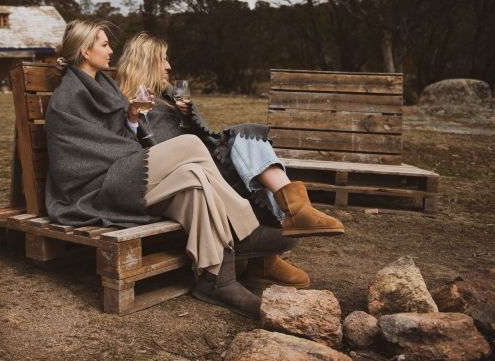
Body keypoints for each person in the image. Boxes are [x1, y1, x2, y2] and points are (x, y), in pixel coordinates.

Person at [44, 20, 295, 319]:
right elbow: (79, 155)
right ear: (85, 51)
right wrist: (134, 143)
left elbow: (119, 135)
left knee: (195, 180)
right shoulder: (68, 96)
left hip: (124, 171)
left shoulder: (104, 86)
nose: (111, 50)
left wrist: (133, 116)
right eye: (103, 44)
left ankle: (216, 279)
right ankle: (244, 226)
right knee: (189, 145)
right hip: (99, 185)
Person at [115, 33, 345, 288]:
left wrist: (189, 114)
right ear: (144, 62)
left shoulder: (170, 95)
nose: (169, 66)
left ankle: (296, 211)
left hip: (206, 160)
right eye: (162, 60)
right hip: (184, 175)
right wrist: (134, 116)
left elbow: (199, 135)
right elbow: (140, 153)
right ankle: (268, 254)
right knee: (246, 163)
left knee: (247, 135)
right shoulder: (126, 102)